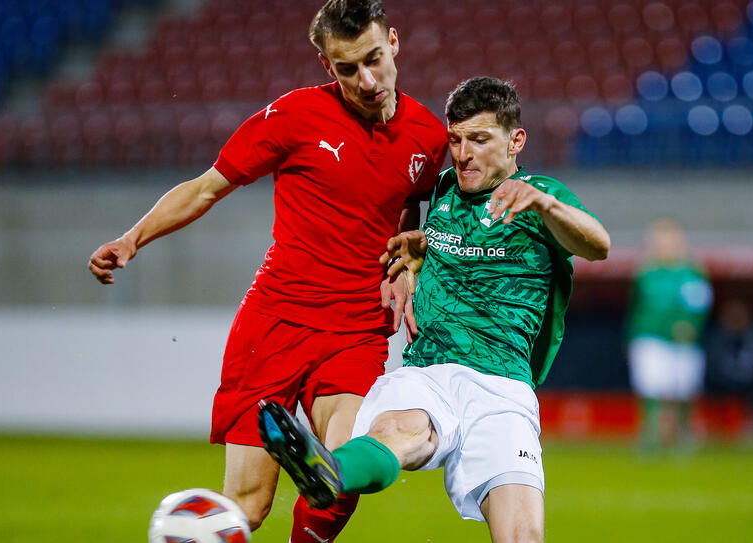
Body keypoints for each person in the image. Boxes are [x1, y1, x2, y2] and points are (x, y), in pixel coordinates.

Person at [86, 1, 448, 540]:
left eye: (374, 58)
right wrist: (132, 238)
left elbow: (413, 210)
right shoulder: (295, 116)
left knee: (339, 477)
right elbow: (207, 186)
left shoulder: (428, 137)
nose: (367, 79)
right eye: (347, 68)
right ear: (328, 66)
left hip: (355, 328)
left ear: (394, 42)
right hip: (275, 323)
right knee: (248, 508)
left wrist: (413, 252)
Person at [258, 77, 610, 542]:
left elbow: (597, 245)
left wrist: (545, 205)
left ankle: (334, 471)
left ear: (515, 140)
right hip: (429, 370)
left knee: (523, 534)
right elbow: (441, 236)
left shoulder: (540, 195)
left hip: (500, 384)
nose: (463, 154)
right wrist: (416, 246)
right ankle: (330, 472)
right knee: (402, 431)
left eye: (480, 140)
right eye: (456, 139)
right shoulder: (445, 187)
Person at [625, 218, 713, 452]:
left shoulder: (692, 272)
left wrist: (690, 326)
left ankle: (683, 432)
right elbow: (636, 308)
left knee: (684, 388)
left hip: (683, 342)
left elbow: (701, 305)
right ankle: (651, 434)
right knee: (651, 387)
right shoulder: (646, 272)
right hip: (650, 337)